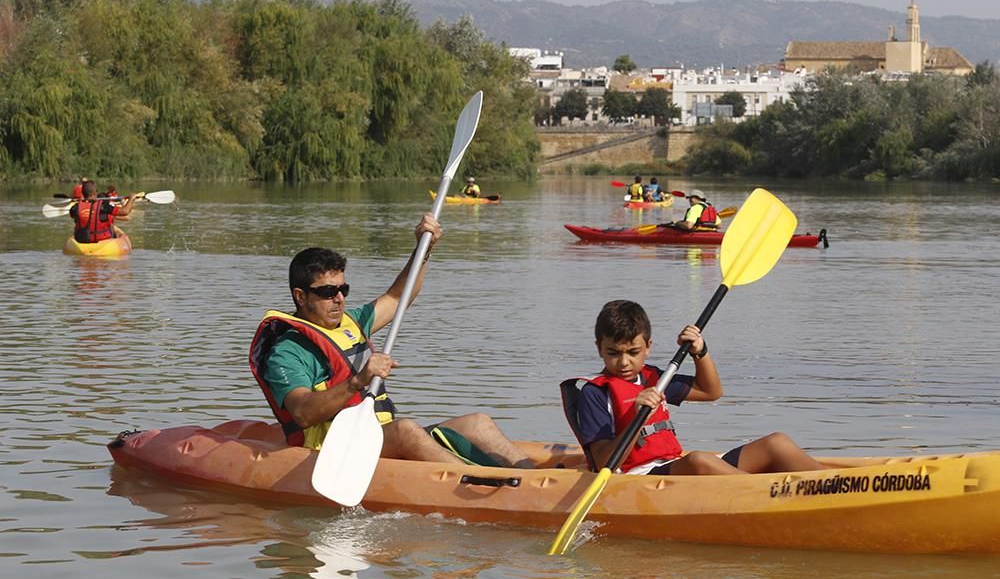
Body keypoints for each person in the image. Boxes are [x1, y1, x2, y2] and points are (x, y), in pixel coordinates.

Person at [249, 216, 533, 468]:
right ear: (300, 296)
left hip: (378, 436)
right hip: (336, 450)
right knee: (406, 429)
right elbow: (302, 413)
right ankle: (483, 484)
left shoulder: (353, 322)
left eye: (343, 289)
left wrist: (424, 248)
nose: (339, 298)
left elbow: (399, 297)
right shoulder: (287, 352)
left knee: (478, 423)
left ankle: (532, 477)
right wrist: (357, 381)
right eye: (327, 291)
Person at [560, 300, 825, 476]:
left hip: (671, 465)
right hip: (638, 477)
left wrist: (701, 351)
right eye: (613, 353)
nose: (624, 361)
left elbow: (711, 392)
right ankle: (772, 497)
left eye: (633, 351)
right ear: (599, 348)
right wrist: (636, 418)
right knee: (699, 460)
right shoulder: (595, 393)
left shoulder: (655, 377)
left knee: (776, 443)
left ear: (648, 347)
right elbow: (606, 462)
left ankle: (838, 486)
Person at [69, 180, 137, 243]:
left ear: (82, 193)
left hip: (82, 241)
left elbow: (74, 217)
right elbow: (125, 212)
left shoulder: (75, 208)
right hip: (103, 241)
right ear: (95, 192)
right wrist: (131, 199)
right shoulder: (104, 206)